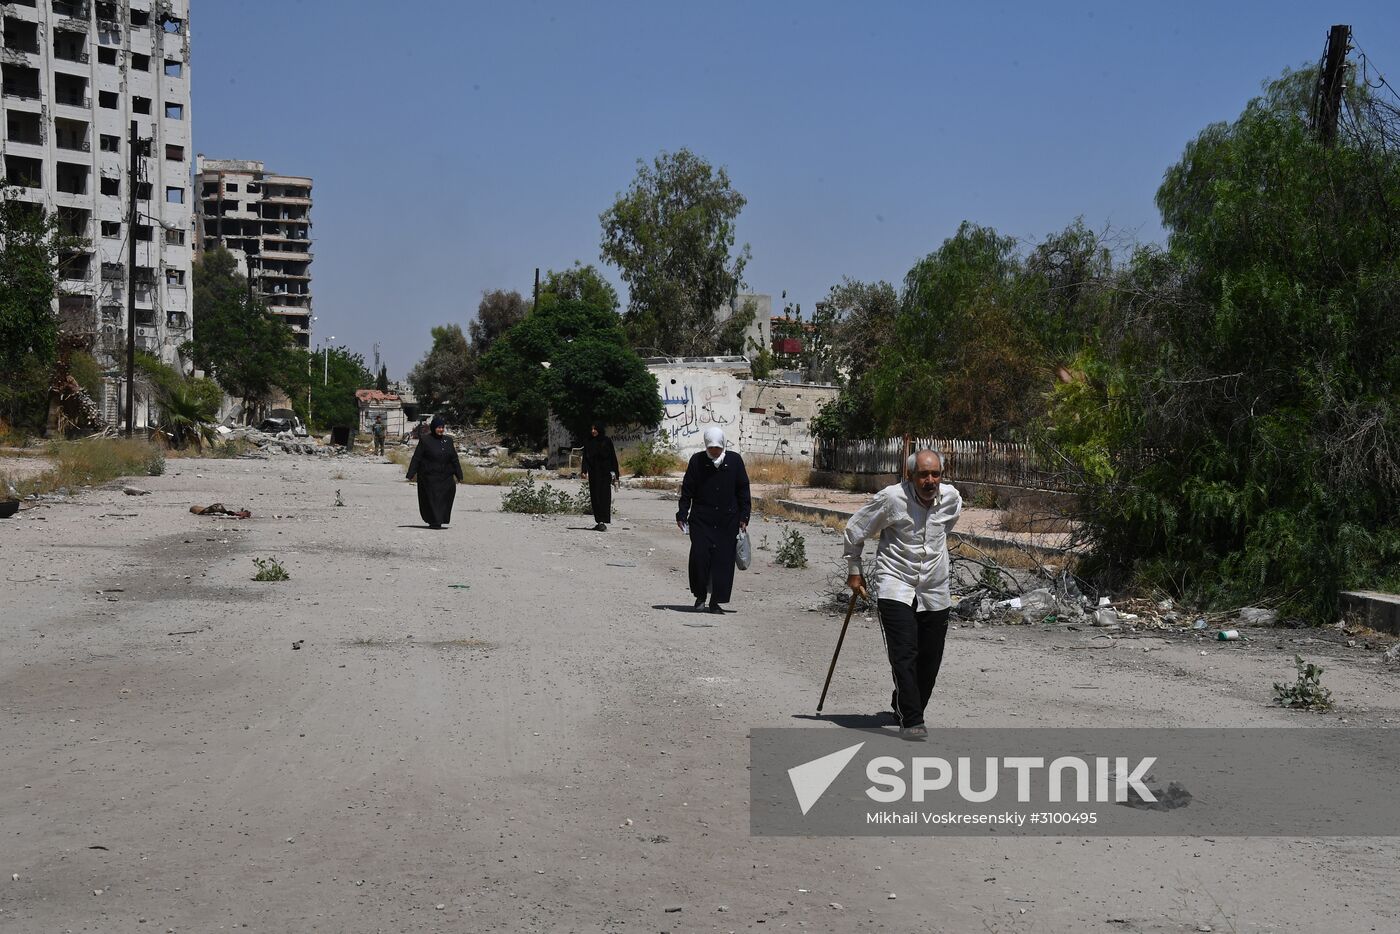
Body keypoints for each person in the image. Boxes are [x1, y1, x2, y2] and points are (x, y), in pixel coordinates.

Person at [843, 449, 963, 741]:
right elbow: (856, 528)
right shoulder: (892, 499)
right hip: (895, 583)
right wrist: (855, 569)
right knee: (904, 652)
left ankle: (903, 703)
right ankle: (912, 719)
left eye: (935, 474)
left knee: (930, 657)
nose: (930, 480)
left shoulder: (952, 499)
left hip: (935, 588)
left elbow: (944, 528)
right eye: (923, 474)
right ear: (911, 475)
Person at [676, 426, 751, 614]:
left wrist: (744, 516)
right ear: (706, 446)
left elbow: (743, 489)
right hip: (701, 520)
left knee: (722, 562)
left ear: (723, 445)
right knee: (699, 558)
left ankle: (715, 601)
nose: (715, 451)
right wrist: (682, 513)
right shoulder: (697, 461)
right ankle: (700, 597)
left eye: (717, 447)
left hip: (727, 521)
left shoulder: (734, 461)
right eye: (711, 448)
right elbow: (687, 490)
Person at [404, 415, 462, 529]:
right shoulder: (425, 440)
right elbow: (417, 457)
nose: (441, 430)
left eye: (442, 427)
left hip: (446, 476)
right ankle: (434, 521)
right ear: (434, 427)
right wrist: (411, 473)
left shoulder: (448, 441)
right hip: (429, 477)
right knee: (432, 499)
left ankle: (441, 519)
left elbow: (454, 459)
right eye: (438, 427)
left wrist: (459, 474)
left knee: (446, 497)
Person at [580, 422, 620, 531]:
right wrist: (584, 470)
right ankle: (599, 521)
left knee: (604, 497)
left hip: (605, 473)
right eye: (592, 429)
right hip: (594, 473)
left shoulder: (606, 441)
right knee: (595, 497)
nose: (593, 431)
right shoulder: (588, 441)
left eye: (595, 429)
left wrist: (616, 474)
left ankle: (603, 520)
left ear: (599, 429)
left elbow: (613, 458)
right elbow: (585, 458)